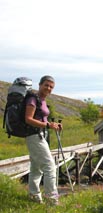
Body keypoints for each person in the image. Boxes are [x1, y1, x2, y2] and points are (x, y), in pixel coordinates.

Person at [25, 75, 62, 205]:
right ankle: (52, 200)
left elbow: (42, 119)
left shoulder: (42, 100)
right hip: (34, 136)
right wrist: (47, 125)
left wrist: (53, 125)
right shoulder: (32, 99)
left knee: (36, 168)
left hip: (40, 135)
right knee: (49, 166)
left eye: (51, 86)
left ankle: (34, 196)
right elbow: (28, 119)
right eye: (46, 85)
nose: (48, 88)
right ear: (40, 85)